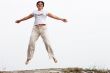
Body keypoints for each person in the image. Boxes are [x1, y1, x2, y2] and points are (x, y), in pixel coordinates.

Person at [15, 1, 67, 65]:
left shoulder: (45, 12)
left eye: (41, 4)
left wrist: (61, 19)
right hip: (35, 29)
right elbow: (27, 17)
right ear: (37, 5)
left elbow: (54, 16)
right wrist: (20, 20)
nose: (40, 5)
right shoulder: (34, 12)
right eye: (38, 4)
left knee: (47, 43)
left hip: (43, 29)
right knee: (31, 42)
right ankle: (28, 58)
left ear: (43, 6)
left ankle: (53, 57)